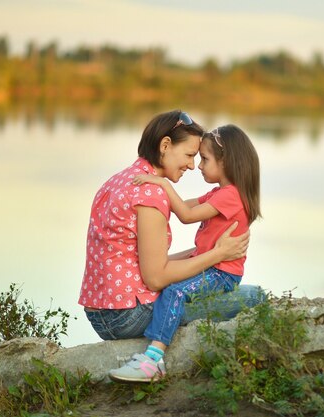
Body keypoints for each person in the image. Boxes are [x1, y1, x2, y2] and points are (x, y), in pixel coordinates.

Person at [78, 110, 263, 358]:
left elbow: (139, 263)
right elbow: (155, 279)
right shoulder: (150, 193)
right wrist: (220, 253)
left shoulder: (118, 182)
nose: (191, 165)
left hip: (102, 314)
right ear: (165, 145)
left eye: (198, 158)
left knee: (182, 286)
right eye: (188, 155)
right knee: (253, 297)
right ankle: (155, 358)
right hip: (127, 317)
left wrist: (200, 254)